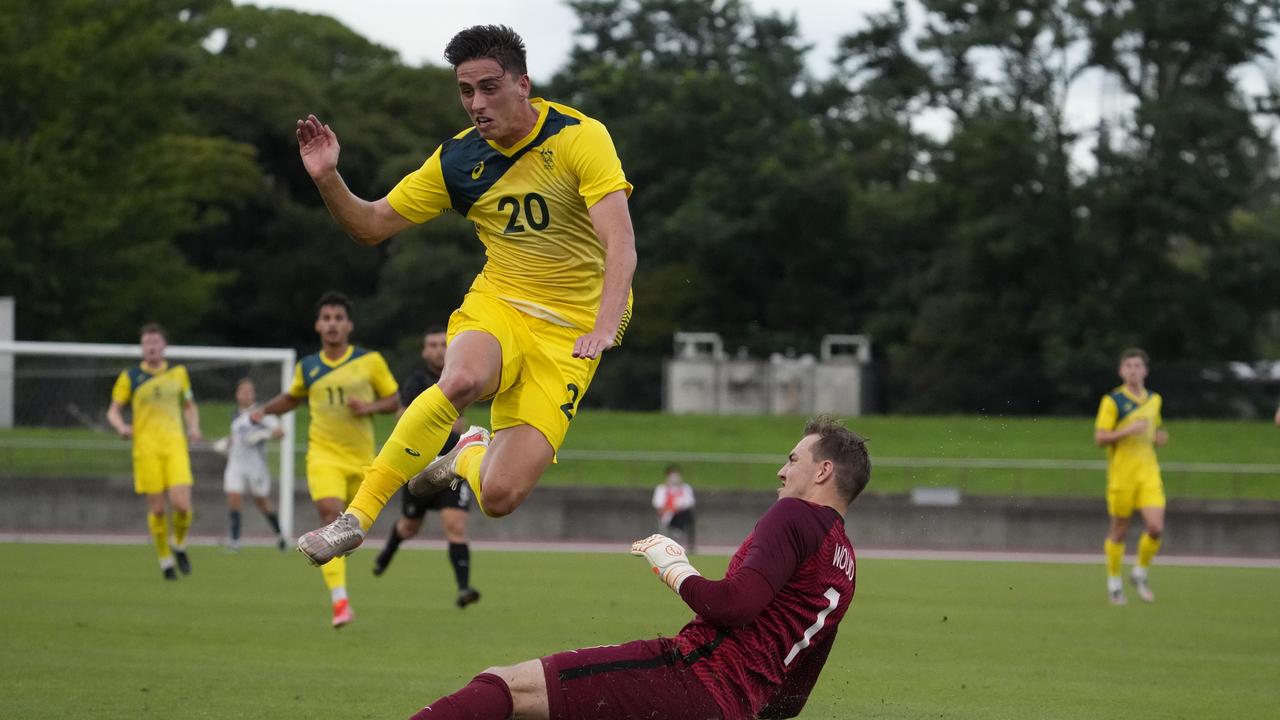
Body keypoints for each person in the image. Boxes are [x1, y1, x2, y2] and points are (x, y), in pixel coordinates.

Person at [292, 24, 637, 567]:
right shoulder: (458, 161)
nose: (476, 103)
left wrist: (602, 325)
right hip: (501, 300)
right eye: (465, 90)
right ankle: (355, 517)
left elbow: (620, 243)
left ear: (523, 84)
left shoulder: (578, 137)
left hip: (573, 329)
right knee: (460, 379)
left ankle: (468, 451)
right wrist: (327, 179)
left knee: (499, 497)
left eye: (489, 87)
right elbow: (371, 225)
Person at [406, 416, 869, 720]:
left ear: (824, 471)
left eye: (792, 460)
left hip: (693, 675)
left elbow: (733, 606)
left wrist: (674, 567)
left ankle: (469, 452)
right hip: (731, 708)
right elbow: (793, 699)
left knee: (508, 686)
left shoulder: (794, 515)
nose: (781, 472)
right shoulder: (845, 567)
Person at [253, 292, 401, 627]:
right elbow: (292, 399)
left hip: (362, 458)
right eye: (326, 318)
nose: (332, 324)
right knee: (329, 517)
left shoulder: (370, 361)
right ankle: (340, 602)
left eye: (338, 318)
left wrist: (369, 408)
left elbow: (393, 400)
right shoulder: (308, 367)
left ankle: (341, 582)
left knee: (352, 533)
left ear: (348, 325)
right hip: (323, 455)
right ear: (318, 325)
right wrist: (262, 410)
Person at [372, 327, 481, 609]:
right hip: (421, 464)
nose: (437, 350)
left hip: (453, 462)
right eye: (431, 345)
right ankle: (386, 553)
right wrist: (437, 422)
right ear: (424, 351)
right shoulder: (417, 380)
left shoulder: (461, 377)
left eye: (443, 344)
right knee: (409, 527)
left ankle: (464, 588)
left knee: (455, 525)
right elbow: (401, 415)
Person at [106, 323, 202, 580]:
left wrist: (194, 428)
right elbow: (113, 410)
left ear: (164, 346)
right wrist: (121, 426)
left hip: (174, 446)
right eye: (147, 343)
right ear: (142, 348)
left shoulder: (179, 373)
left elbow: (190, 406)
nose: (151, 347)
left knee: (182, 506)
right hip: (146, 450)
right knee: (158, 510)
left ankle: (179, 544)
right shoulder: (131, 377)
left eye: (155, 342)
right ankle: (164, 560)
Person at [1094, 347, 1168, 605]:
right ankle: (1114, 582)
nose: (1133, 371)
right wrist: (1127, 431)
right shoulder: (1112, 401)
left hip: (1148, 473)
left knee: (1156, 527)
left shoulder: (1154, 400)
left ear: (1145, 370)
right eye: (1129, 367)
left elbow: (1154, 427)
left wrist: (1159, 437)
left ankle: (1139, 573)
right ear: (1121, 371)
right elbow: (1100, 438)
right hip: (1122, 475)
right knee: (1119, 531)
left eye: (1137, 366)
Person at [219, 378, 287, 553]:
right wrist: (226, 442)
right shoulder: (235, 416)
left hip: (255, 466)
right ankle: (234, 540)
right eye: (243, 391)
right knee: (233, 498)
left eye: (249, 391)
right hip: (235, 464)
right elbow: (238, 437)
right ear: (237, 395)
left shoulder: (262, 413)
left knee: (262, 502)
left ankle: (280, 536)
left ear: (253, 394)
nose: (246, 395)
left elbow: (280, 432)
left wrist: (263, 435)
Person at [652, 463, 696, 552]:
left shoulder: (685, 488)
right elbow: (658, 504)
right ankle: (677, 529)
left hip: (683, 514)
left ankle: (686, 540)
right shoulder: (662, 489)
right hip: (668, 515)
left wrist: (679, 507)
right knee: (674, 515)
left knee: (688, 515)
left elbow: (690, 502)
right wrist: (670, 508)